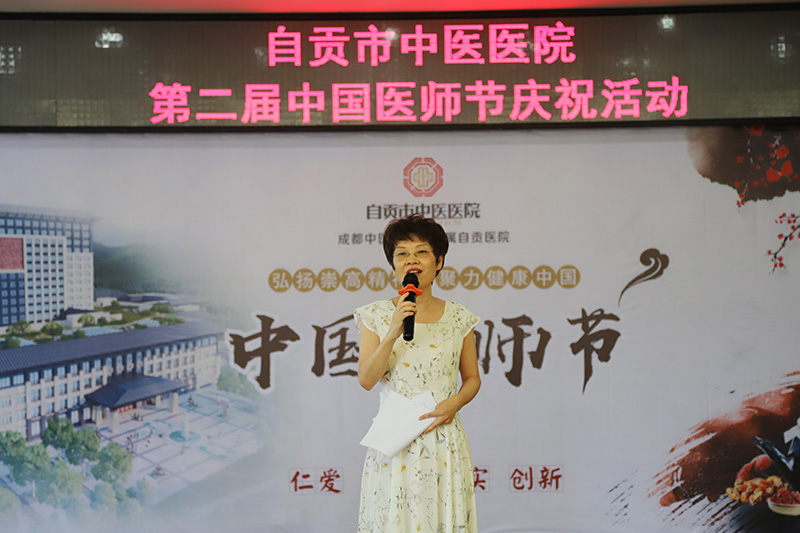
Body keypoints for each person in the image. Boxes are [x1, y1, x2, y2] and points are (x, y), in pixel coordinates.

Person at [355, 213, 481, 533]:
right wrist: (392, 332)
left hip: (442, 438)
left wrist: (455, 403)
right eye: (402, 254)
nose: (411, 260)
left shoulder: (458, 317)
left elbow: (472, 379)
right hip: (395, 440)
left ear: (438, 262)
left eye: (421, 252)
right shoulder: (375, 315)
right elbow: (367, 379)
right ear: (393, 264)